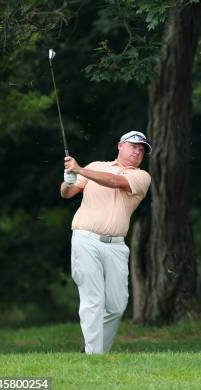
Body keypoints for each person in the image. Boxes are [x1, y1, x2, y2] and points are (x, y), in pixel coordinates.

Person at [60, 131, 152, 354]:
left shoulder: (141, 177)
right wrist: (69, 178)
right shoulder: (96, 166)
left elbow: (115, 182)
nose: (137, 152)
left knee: (117, 305)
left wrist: (80, 170)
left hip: (117, 246)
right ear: (119, 145)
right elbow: (67, 193)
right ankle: (94, 356)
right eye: (133, 146)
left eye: (142, 150)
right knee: (93, 299)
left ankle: (94, 350)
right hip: (85, 238)